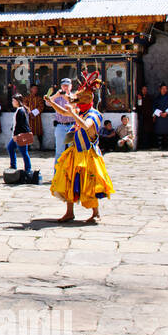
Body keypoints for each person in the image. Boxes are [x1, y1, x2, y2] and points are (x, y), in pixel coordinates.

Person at [47, 72, 115, 223]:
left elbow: (85, 125)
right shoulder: (79, 111)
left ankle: (95, 213)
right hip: (74, 151)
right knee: (68, 179)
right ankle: (69, 212)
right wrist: (52, 103)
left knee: (90, 182)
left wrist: (73, 113)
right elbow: (64, 112)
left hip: (88, 154)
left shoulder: (94, 114)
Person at [7, 92, 33, 174]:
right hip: (17, 135)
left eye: (13, 100)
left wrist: (16, 135)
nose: (12, 102)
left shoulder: (20, 111)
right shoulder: (20, 110)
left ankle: (28, 169)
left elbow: (20, 125)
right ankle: (13, 165)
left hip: (20, 136)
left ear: (18, 101)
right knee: (10, 147)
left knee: (24, 152)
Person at [53, 78, 74, 159]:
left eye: (67, 86)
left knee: (72, 150)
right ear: (61, 87)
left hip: (72, 126)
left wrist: (66, 97)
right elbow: (47, 103)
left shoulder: (74, 96)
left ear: (71, 86)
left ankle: (71, 171)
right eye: (64, 86)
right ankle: (57, 171)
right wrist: (56, 95)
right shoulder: (57, 97)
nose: (65, 87)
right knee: (59, 151)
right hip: (60, 126)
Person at [153, 83, 168, 150]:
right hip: (159, 117)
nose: (164, 90)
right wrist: (159, 113)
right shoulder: (157, 98)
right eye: (163, 89)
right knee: (159, 131)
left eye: (165, 89)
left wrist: (166, 112)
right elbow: (154, 107)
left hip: (167, 116)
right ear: (160, 89)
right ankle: (160, 146)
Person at [26, 84, 47, 151]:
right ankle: (28, 146)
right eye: (34, 88)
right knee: (28, 131)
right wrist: (29, 113)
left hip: (36, 117)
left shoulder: (39, 98)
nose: (35, 90)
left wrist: (34, 113)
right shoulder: (27, 98)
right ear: (30, 89)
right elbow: (24, 106)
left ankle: (41, 146)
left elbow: (41, 107)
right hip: (28, 117)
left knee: (39, 132)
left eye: (36, 89)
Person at [135, 85, 152, 151]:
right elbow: (139, 106)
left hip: (148, 116)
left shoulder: (149, 97)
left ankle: (147, 145)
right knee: (142, 131)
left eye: (146, 89)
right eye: (143, 89)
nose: (145, 91)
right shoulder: (140, 97)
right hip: (142, 116)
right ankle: (142, 145)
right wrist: (140, 100)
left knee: (147, 131)